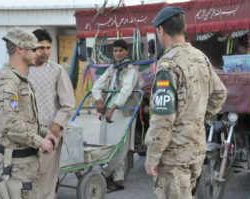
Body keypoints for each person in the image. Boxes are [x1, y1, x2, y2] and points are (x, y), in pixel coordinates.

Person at [144, 7, 227, 199]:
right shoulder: (200, 57)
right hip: (196, 148)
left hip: (174, 154)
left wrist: (153, 156)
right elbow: (220, 93)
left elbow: (163, 118)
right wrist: (197, 118)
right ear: (184, 28)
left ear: (161, 30)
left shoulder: (167, 64)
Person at [0, 27, 59, 199]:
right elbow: (9, 122)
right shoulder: (6, 81)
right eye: (34, 49)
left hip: (25, 164)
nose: (38, 53)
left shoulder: (21, 79)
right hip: (13, 166)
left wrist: (45, 133)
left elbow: (29, 116)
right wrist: (40, 141)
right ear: (20, 49)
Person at [28, 29, 75, 199]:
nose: (45, 52)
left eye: (48, 48)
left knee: (45, 180)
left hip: (49, 134)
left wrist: (55, 128)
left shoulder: (57, 71)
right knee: (26, 180)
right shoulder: (22, 71)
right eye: (41, 47)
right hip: (25, 134)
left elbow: (68, 104)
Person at [92, 39, 139, 192]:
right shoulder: (112, 69)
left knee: (119, 146)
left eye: (121, 51)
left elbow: (125, 91)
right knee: (108, 144)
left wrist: (112, 109)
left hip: (123, 111)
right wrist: (99, 100)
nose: (118, 54)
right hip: (109, 111)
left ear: (126, 52)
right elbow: (97, 85)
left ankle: (105, 174)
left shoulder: (131, 70)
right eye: (115, 51)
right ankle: (118, 179)